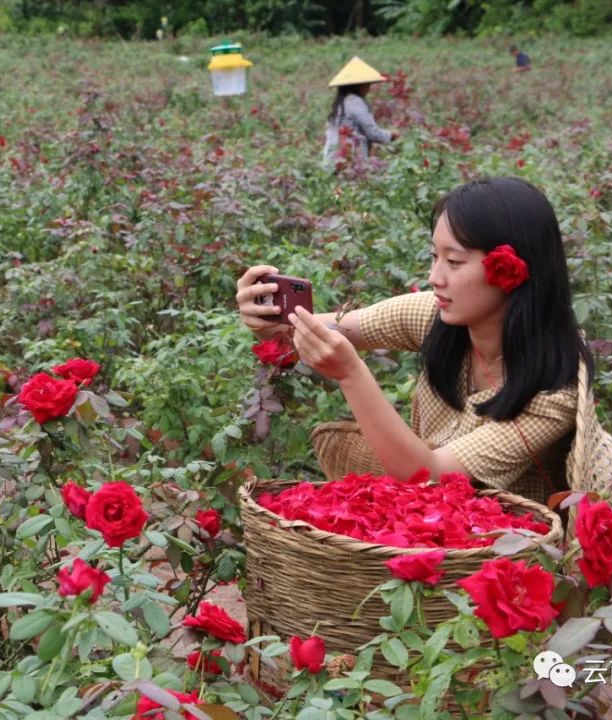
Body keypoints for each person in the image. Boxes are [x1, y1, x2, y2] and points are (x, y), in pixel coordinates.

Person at [235, 177, 593, 504]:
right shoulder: (436, 315)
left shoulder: (552, 391)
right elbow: (322, 329)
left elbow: (427, 477)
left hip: (509, 539)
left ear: (510, 271)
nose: (435, 277)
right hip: (429, 516)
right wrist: (268, 321)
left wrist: (350, 374)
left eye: (454, 261)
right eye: (435, 256)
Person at [322, 56, 397, 166]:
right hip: (349, 158)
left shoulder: (342, 102)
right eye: (367, 85)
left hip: (333, 158)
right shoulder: (354, 102)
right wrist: (391, 136)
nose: (368, 89)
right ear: (358, 86)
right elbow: (372, 132)